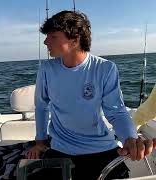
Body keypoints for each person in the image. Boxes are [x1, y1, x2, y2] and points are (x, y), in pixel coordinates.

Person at [26, 10, 156, 179]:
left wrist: (129, 139)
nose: (45, 41)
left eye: (52, 36)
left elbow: (116, 112)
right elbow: (42, 107)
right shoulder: (47, 69)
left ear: (75, 38)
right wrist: (40, 142)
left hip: (101, 147)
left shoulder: (105, 68)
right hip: (60, 148)